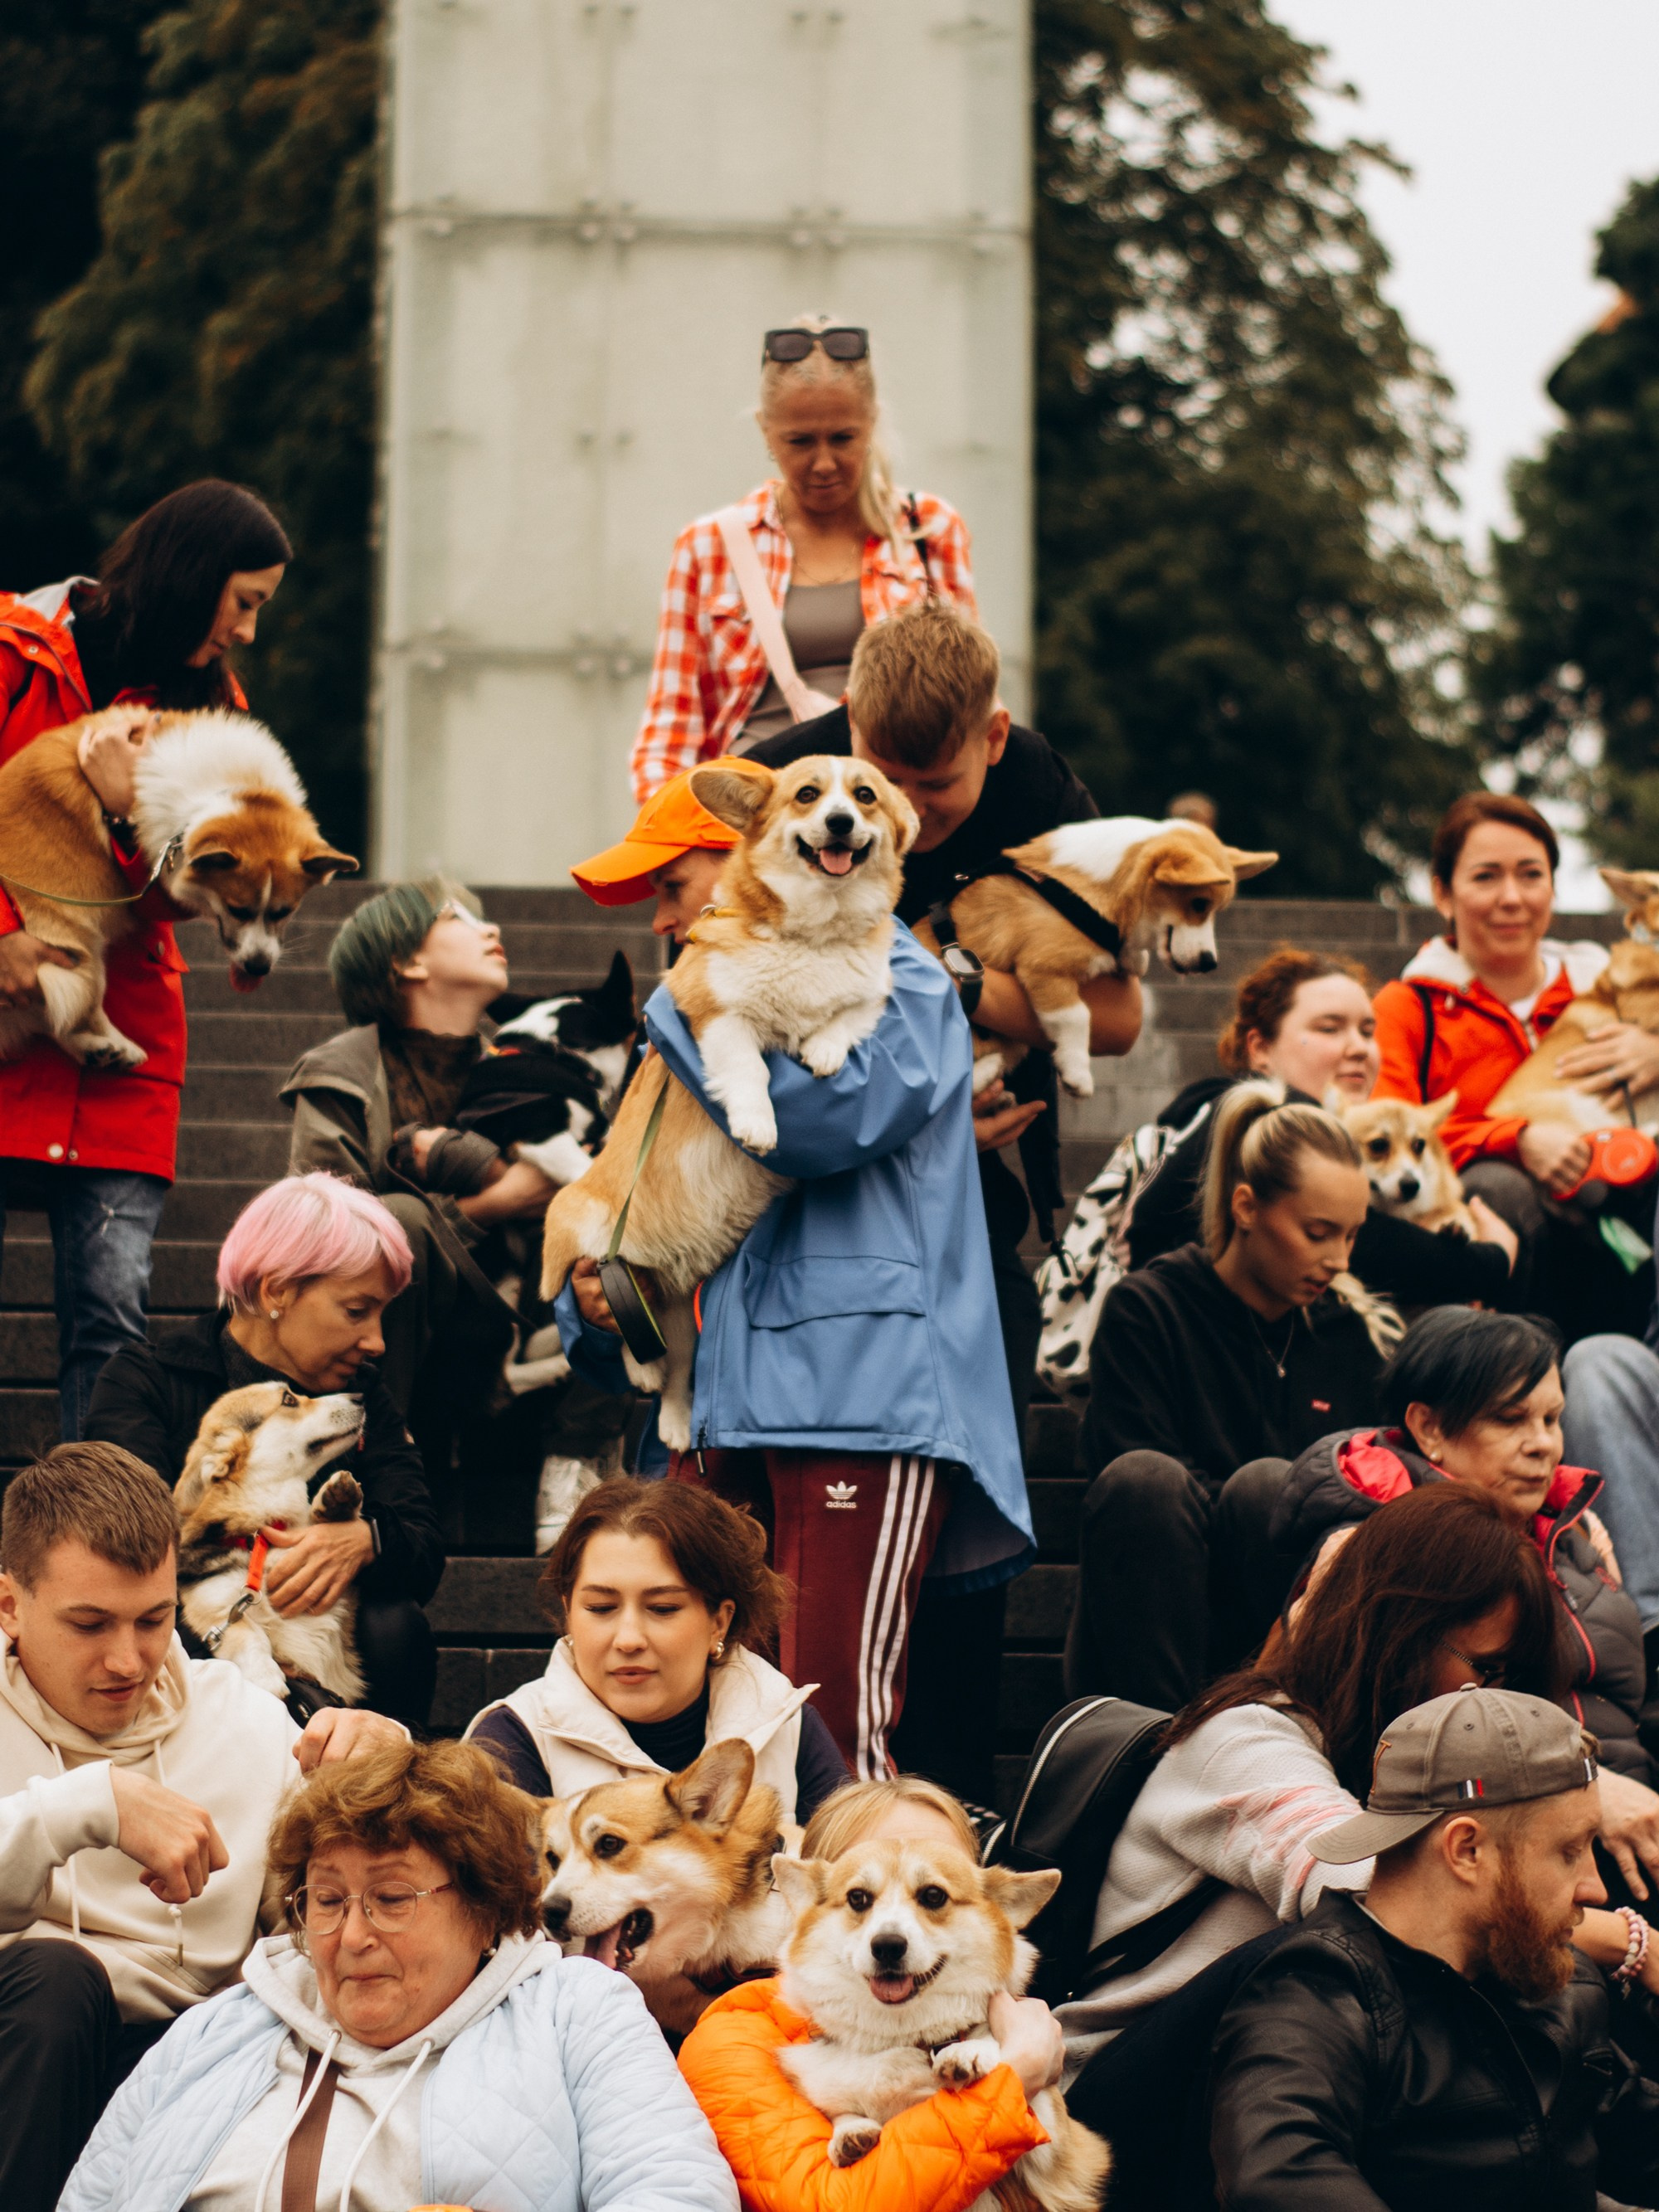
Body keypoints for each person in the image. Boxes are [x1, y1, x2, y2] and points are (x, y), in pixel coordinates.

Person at [743, 596, 1144, 1796]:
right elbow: (710, 990)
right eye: (876, 774)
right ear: (842, 720)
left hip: (978, 1210)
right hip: (808, 1211)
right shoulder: (784, 782)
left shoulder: (1047, 802)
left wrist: (949, 980)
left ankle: (955, 1795)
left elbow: (1115, 1014)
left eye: (939, 791)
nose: (893, 814)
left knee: (967, 1521)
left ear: (999, 736)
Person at [554, 809, 1035, 1783]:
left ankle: (838, 1926)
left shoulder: (894, 974)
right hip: (723, 1403)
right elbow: (630, 1184)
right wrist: (592, 1303)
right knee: (699, 1735)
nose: (658, 921)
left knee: (825, 1727)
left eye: (669, 885)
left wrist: (693, 1013)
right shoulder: (703, 1003)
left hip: (862, 1397)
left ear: (747, 853)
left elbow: (819, 1123)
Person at [60, 1737, 740, 2212]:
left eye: (391, 1899)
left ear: (482, 1908)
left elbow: (679, 2193)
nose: (352, 1936)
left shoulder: (577, 2009)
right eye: (327, 1900)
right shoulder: (215, 2029)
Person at [0, 1441, 403, 2212]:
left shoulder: (244, 1719)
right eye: (89, 1623)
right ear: (10, 1604)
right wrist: (85, 1807)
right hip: (23, 2045)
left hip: (189, 2056)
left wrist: (387, 1777)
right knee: (58, 1982)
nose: (128, 1659)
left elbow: (317, 1916)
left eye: (153, 1619)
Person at [1059, 1484, 1563, 2070]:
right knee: (1338, 1942)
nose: (1497, 1700)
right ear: (1398, 1636)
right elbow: (1374, 1887)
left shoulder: (1388, 1756)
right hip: (1114, 2094)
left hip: (1254, 2077)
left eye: (1515, 1678)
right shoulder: (1242, 1739)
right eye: (1488, 1668)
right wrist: (1633, 1945)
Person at [0, 479, 291, 1439]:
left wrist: (127, 807)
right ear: (193, 575)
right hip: (12, 1015)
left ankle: (91, 1554)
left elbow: (177, 891)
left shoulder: (213, 706)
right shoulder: (13, 647)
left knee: (112, 1320)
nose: (247, 630)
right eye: (244, 601)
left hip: (120, 1036)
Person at [1208, 1688, 1659, 2212]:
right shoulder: (1314, 2000)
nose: (1595, 1889)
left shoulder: (1554, 1979)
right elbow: (1273, 2179)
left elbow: (1638, 2137)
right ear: (1467, 1850)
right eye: (1570, 1851)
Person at [1271, 1310, 1659, 1889]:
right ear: (1429, 1428)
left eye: (1553, 1419)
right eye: (1511, 1419)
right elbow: (1401, 1741)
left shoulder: (1571, 1535)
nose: (1543, 1445)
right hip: (1509, 1844)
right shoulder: (1382, 1548)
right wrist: (1589, 1785)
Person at [1065, 1082, 1388, 1711]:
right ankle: (1154, 1751)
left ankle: (1265, 1729)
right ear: (1246, 1206)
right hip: (1148, 1633)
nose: (1337, 1261)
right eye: (1318, 1232)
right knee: (1151, 1481)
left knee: (1273, 1489)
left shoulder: (1348, 1337)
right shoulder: (1148, 1307)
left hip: (1282, 1644)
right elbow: (1132, 1497)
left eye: (1351, 1237)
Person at [85, 1174, 445, 1727]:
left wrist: (364, 1538)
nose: (378, 1341)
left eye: (383, 1314)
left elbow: (422, 1544)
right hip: (195, 1655)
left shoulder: (365, 1392)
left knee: (396, 1625)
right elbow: (123, 1546)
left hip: (330, 1652)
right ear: (277, 1290)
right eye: (356, 1310)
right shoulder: (146, 1379)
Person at [679, 1773, 1067, 2212]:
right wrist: (1015, 2078)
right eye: (861, 1897)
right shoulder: (732, 2038)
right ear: (807, 1897)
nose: (890, 1931)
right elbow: (830, 2204)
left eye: (933, 1895)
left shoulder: (1011, 2030)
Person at [631, 316, 976, 799]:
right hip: (760, 813)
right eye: (799, 442)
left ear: (871, 424)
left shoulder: (929, 529)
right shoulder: (709, 545)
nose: (823, 463)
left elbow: (969, 705)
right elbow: (673, 724)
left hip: (890, 807)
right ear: (766, 432)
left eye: (843, 438)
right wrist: (675, 842)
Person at [1373, 789, 1658, 1336]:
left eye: (1531, 874)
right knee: (1496, 1186)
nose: (1512, 897)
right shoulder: (1409, 1007)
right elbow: (1381, 1142)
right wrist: (1514, 1137)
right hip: (1502, 1234)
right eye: (1485, 877)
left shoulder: (1609, 982)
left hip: (1622, 1201)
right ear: (1442, 892)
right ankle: (1507, 1391)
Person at [280, 877, 559, 1421]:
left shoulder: (532, 1071)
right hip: (387, 1337)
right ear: (407, 963)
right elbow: (329, 1241)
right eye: (459, 918)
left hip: (510, 1323)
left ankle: (577, 1454)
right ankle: (381, 1447)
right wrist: (497, 1202)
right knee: (397, 1220)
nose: (492, 928)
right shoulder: (344, 1074)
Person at [1125, 945, 1519, 1300]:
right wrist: (1491, 1260)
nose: (1360, 1049)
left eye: (1368, 1031)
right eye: (1330, 1029)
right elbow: (1371, 1246)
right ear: (1260, 1049)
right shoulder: (1265, 1112)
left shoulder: (1213, 1111)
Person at [467, 1475, 847, 1821]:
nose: (629, 1639)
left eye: (663, 1609)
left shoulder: (786, 1724)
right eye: (601, 1609)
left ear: (720, 1620)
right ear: (568, 1611)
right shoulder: (511, 1738)